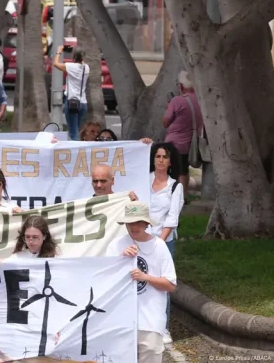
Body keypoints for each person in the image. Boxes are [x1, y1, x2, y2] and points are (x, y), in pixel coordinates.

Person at [108, 202, 177, 361]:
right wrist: (120, 260)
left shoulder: (159, 246)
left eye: (138, 222)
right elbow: (107, 281)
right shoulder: (116, 245)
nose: (134, 227)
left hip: (150, 320)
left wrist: (146, 277)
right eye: (130, 222)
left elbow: (171, 284)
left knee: (151, 353)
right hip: (121, 319)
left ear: (146, 223)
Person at [163, 70, 203, 189]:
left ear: (180, 86)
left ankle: (176, 196)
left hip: (175, 142)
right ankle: (183, 196)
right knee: (184, 170)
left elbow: (165, 122)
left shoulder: (177, 101)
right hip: (192, 143)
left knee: (175, 170)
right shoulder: (201, 100)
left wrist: (168, 108)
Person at [149, 142, 183, 254]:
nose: (161, 160)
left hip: (164, 241)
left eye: (165, 157)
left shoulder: (175, 187)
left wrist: (160, 242)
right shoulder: (143, 180)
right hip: (140, 238)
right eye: (158, 156)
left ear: (170, 162)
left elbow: (172, 218)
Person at [53, 48, 89, 139]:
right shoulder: (86, 67)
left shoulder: (72, 67)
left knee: (73, 132)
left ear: (74, 56)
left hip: (72, 103)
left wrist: (59, 52)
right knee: (76, 129)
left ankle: (75, 152)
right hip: (83, 103)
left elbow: (56, 64)